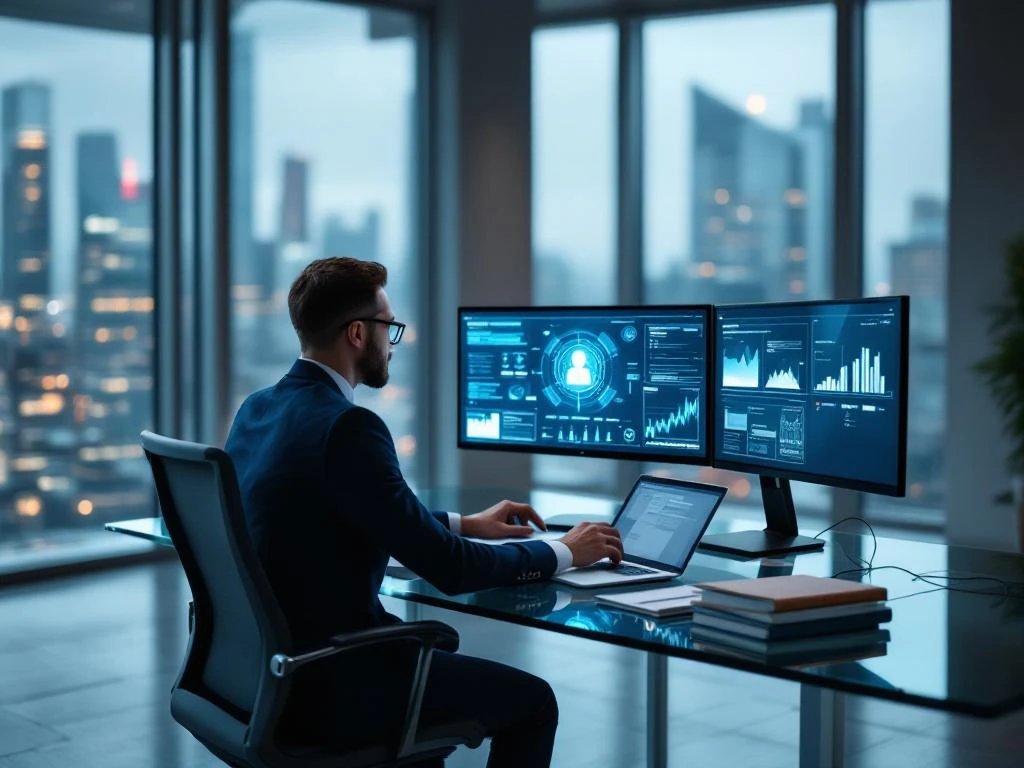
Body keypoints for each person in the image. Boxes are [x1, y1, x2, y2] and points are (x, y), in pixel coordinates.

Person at [225, 257, 623, 767]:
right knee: (534, 703)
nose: (393, 341)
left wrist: (465, 523)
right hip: (332, 683)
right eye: (388, 327)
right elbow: (451, 569)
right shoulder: (348, 427)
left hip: (265, 674)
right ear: (355, 334)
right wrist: (562, 551)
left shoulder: (258, 408)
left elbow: (332, 514)